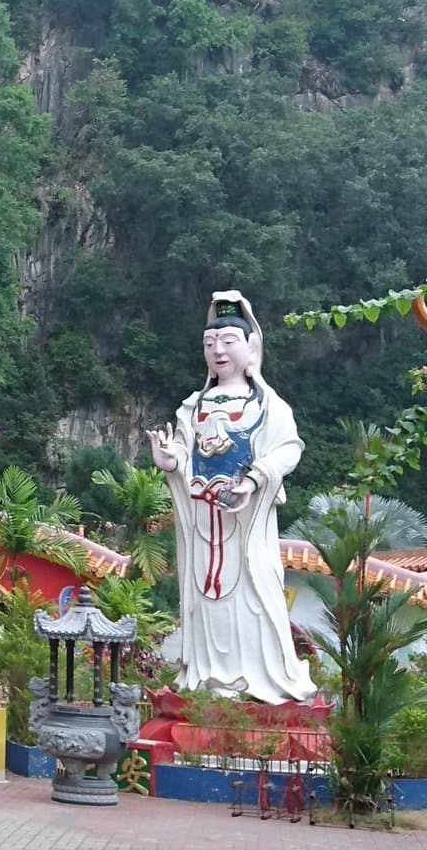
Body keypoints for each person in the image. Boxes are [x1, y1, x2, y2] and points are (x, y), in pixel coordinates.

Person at [145, 290, 316, 704]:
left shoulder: (269, 406)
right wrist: (170, 461)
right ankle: (208, 679)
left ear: (251, 346)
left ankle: (258, 680)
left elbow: (289, 449)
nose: (218, 350)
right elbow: (184, 456)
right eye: (209, 343)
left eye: (227, 341)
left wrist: (255, 479)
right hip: (204, 521)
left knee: (254, 601)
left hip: (246, 525)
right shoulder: (192, 407)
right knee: (205, 599)